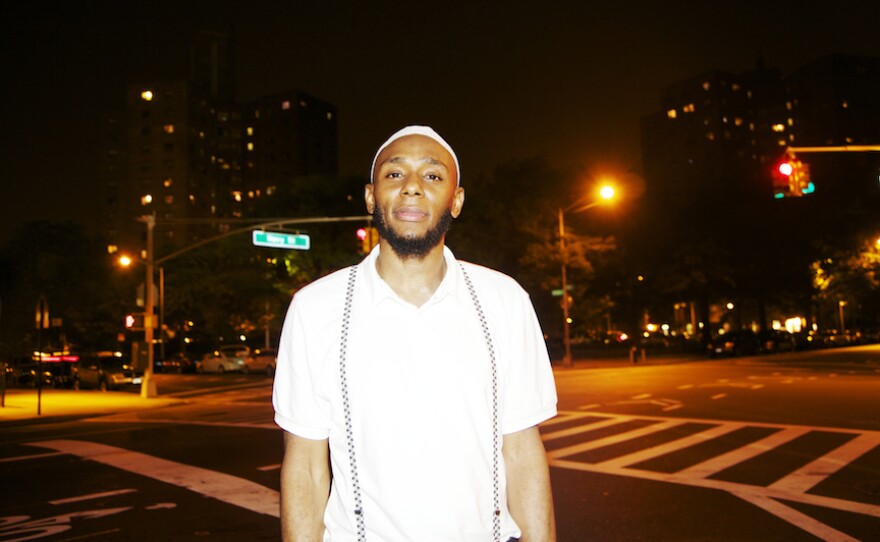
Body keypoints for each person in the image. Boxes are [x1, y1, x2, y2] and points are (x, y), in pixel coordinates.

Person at [273, 125, 558, 541]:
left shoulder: (504, 300)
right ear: (372, 196)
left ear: (456, 201)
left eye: (432, 175)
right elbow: (306, 469)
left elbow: (523, 453)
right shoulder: (316, 309)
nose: (411, 187)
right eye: (394, 174)